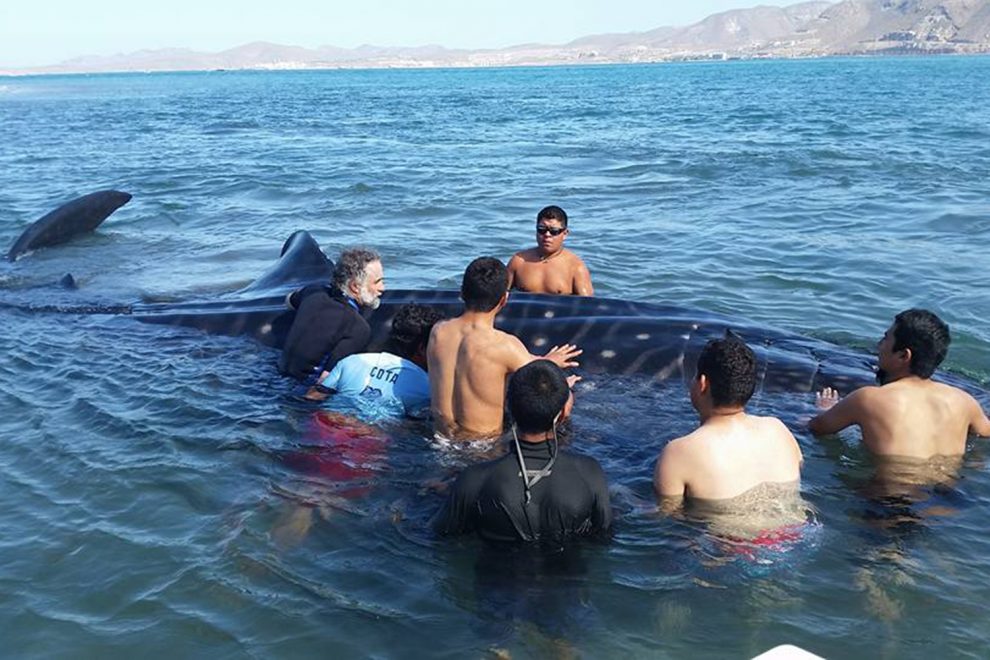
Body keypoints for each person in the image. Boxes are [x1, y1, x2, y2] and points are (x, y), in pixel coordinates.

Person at [434, 360, 612, 544]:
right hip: (570, 562)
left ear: (508, 406)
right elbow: (603, 536)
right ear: (564, 412)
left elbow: (440, 536)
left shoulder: (475, 479)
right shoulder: (589, 472)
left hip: (496, 562)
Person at [654, 333, 804, 525]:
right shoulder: (777, 428)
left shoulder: (679, 451)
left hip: (730, 541)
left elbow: (666, 514)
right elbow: (798, 465)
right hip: (795, 530)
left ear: (702, 384)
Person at [427, 256, 582, 441]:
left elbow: (473, 358)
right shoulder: (504, 345)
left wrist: (545, 360)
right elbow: (537, 380)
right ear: (504, 299)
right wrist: (561, 384)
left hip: (440, 440)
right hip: (483, 447)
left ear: (462, 292)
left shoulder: (438, 331)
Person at [810, 309, 990, 457]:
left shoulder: (868, 399)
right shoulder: (964, 402)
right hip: (949, 488)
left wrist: (825, 410)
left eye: (885, 339)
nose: (879, 345)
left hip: (887, 490)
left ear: (904, 355)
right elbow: (986, 433)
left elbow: (817, 428)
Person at [304, 303, 443, 418]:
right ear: (422, 348)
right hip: (370, 437)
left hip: (325, 424)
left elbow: (312, 397)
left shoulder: (351, 361)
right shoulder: (427, 387)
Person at [277, 248, 385, 383]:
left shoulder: (312, 292)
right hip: (304, 388)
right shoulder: (358, 328)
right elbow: (326, 382)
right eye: (377, 282)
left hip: (278, 373)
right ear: (355, 287)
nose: (382, 288)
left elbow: (289, 302)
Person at [506, 205, 594, 296]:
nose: (547, 235)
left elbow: (587, 302)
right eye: (542, 229)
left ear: (565, 234)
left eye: (554, 231)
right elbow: (500, 296)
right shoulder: (519, 261)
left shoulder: (575, 267)